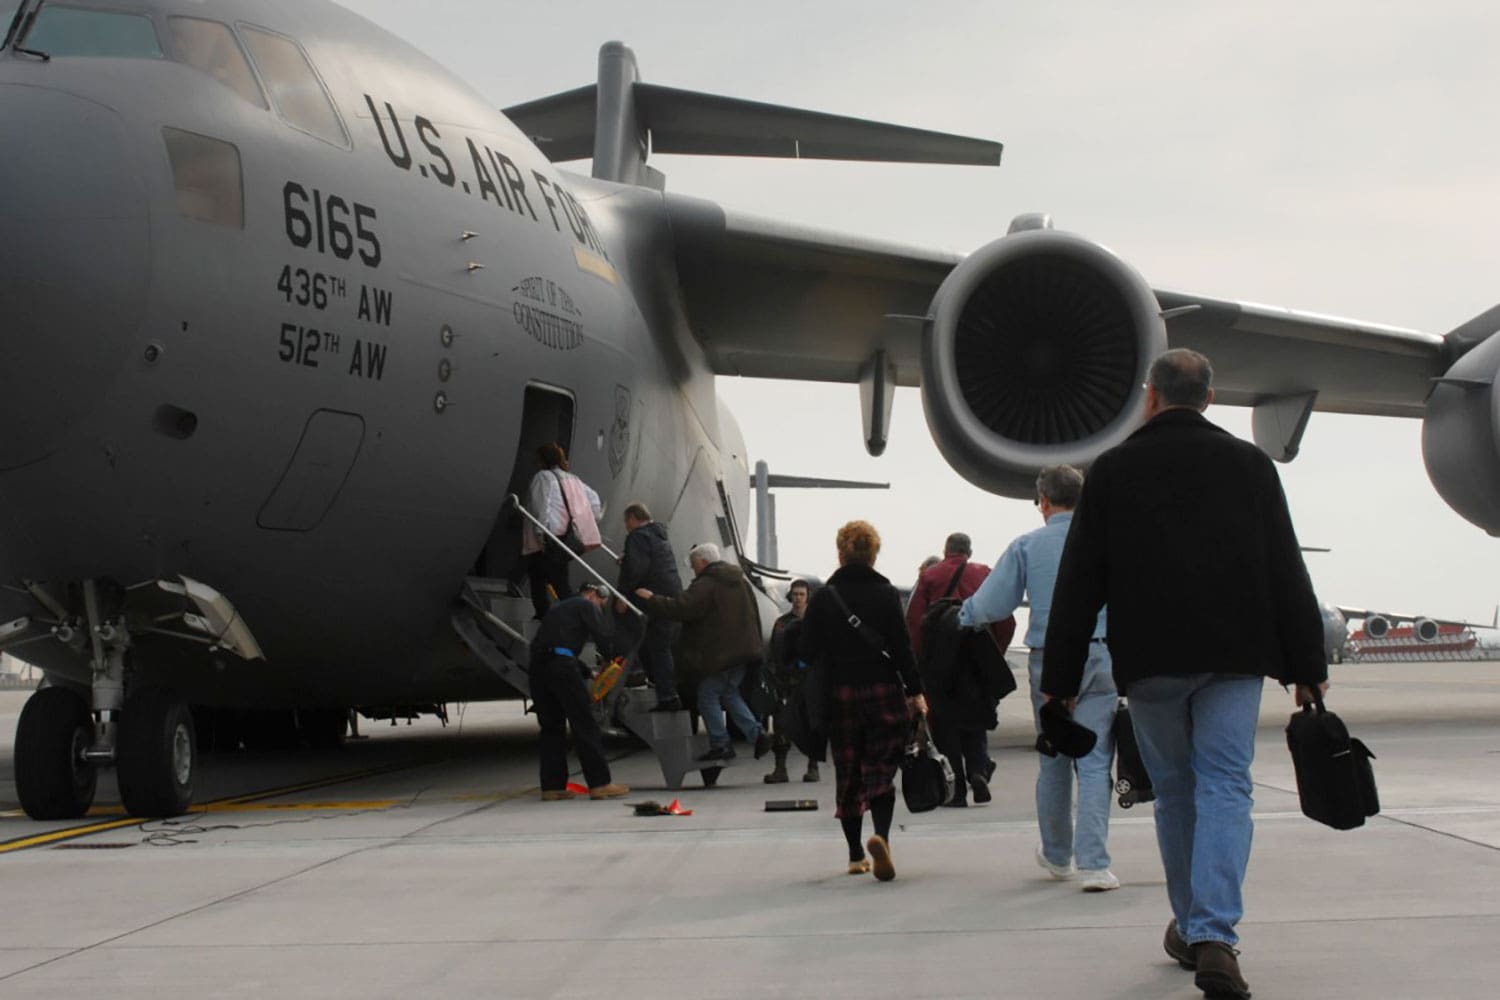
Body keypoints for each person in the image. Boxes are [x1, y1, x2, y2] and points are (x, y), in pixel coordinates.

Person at [1041, 349, 1328, 1000]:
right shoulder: (1250, 465)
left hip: (1151, 662)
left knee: (1174, 792)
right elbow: (1286, 568)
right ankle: (1215, 937)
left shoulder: (1111, 471)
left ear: (1150, 397)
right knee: (1228, 786)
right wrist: (1307, 667)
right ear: (1210, 397)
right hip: (1235, 657)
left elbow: (1080, 583)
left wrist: (1059, 678)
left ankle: (1196, 929)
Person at [960, 465, 1119, 891]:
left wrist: (962, 615)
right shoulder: (1106, 541)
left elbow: (993, 603)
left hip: (1049, 660)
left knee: (1054, 755)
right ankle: (1096, 864)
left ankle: (1057, 854)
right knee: (1096, 758)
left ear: (1044, 501)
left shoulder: (1027, 546)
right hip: (1102, 653)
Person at [799, 521, 926, 882]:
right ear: (874, 555)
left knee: (849, 771)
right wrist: (916, 692)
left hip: (841, 695)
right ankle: (881, 837)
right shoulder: (887, 593)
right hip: (883, 691)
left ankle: (856, 855)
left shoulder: (824, 597)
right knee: (882, 768)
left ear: (840, 553)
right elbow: (903, 648)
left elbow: (805, 651)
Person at [636, 543, 768, 763]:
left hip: (721, 654)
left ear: (703, 562)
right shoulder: (740, 582)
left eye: (695, 565)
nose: (693, 569)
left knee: (707, 696)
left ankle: (721, 743)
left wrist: (651, 599)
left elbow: (682, 607)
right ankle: (757, 734)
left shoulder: (708, 583)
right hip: (743, 651)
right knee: (728, 692)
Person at [904, 532, 1009, 807]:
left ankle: (958, 790)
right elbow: (1006, 619)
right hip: (976, 660)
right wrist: (995, 651)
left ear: (946, 550)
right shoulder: (984, 574)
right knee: (976, 716)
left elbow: (914, 622)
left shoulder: (930, 577)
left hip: (940, 662)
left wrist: (918, 664)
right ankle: (978, 770)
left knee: (945, 723)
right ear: (969, 552)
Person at [528, 582, 630, 801]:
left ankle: (552, 787)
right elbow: (602, 634)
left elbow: (557, 646)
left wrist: (587, 672)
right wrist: (610, 659)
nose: (600, 608)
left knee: (551, 727)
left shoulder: (559, 609)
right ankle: (600, 783)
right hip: (562, 667)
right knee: (585, 723)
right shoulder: (586, 605)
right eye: (601, 604)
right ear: (593, 594)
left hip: (539, 668)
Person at [521, 443, 602, 619]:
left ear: (542, 459)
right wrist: (586, 521)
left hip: (547, 539)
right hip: (564, 539)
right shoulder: (573, 479)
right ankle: (574, 616)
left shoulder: (543, 477)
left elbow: (539, 507)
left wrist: (540, 534)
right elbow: (595, 502)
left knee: (538, 579)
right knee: (560, 582)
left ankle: (550, 615)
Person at [617, 503, 685, 711]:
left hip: (648, 597)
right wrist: (628, 560)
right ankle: (667, 693)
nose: (626, 527)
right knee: (660, 646)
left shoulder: (637, 536)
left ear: (632, 518)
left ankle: (638, 678)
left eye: (626, 522)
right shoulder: (660, 536)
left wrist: (622, 596)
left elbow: (637, 570)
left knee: (631, 636)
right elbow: (649, 563)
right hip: (668, 596)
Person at [763, 578, 819, 784]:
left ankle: (813, 767)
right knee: (781, 725)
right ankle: (780, 769)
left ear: (807, 597)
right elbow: (774, 652)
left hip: (809, 682)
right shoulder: (781, 623)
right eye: (794, 595)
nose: (797, 599)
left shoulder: (815, 624)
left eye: (801, 595)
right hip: (785, 682)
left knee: (811, 724)